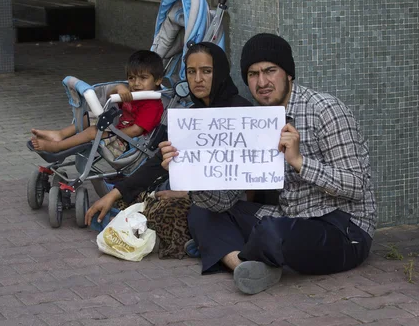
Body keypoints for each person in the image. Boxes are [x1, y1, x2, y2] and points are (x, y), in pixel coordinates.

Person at [160, 33, 377, 294]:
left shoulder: (325, 110)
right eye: (252, 74)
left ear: (288, 74)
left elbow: (355, 186)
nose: (262, 82)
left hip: (343, 229)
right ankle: (241, 263)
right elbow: (226, 200)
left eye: (270, 71)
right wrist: (188, 172)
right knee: (201, 210)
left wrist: (299, 162)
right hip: (288, 217)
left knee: (273, 233)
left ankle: (230, 251)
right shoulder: (255, 121)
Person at [84, 41, 252, 258]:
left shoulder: (242, 112)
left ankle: (200, 241)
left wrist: (189, 194)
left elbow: (243, 176)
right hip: (192, 189)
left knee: (169, 211)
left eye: (206, 71)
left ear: (220, 72)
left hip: (227, 200)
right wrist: (114, 194)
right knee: (133, 200)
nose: (197, 79)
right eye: (191, 72)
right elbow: (157, 163)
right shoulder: (189, 115)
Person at [31, 50, 164, 154]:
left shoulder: (152, 105)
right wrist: (119, 87)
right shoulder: (132, 95)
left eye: (143, 78)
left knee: (93, 131)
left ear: (158, 80)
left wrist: (110, 134)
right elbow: (109, 96)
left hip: (129, 144)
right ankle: (60, 134)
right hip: (119, 133)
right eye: (131, 78)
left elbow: (136, 131)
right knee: (90, 117)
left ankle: (57, 147)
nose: (136, 83)